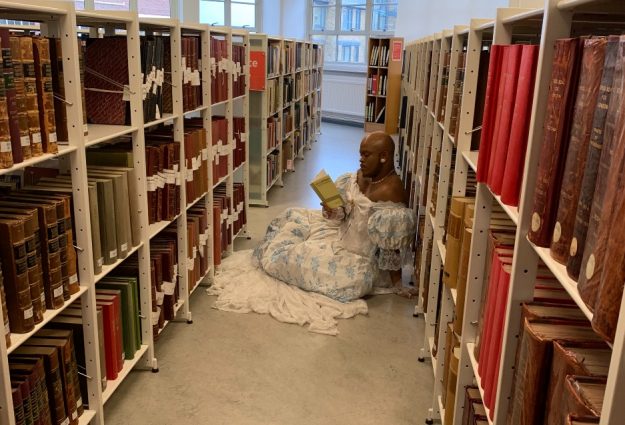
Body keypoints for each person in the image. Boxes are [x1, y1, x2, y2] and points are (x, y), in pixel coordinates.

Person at [251, 131, 416, 302]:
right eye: (360, 154)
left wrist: (397, 282)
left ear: (384, 156)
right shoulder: (361, 174)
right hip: (338, 236)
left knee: (294, 260)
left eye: (366, 155)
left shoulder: (392, 189)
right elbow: (344, 215)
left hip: (360, 258)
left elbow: (391, 242)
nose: (361, 159)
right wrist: (334, 210)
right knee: (292, 215)